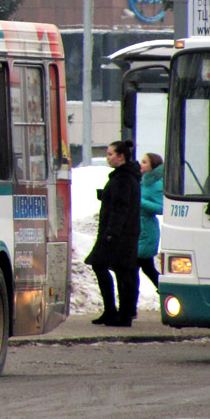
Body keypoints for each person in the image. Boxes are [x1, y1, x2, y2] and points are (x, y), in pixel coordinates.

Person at [86, 139, 142, 327]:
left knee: (107, 267)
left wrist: (111, 232)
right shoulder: (125, 176)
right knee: (121, 272)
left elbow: (121, 207)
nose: (108, 158)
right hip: (124, 233)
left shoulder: (123, 178)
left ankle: (117, 312)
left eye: (110, 154)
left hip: (118, 235)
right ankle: (118, 312)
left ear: (121, 156)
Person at [136, 152, 164, 298]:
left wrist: (139, 201)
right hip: (138, 229)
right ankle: (166, 291)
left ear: (153, 166)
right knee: (147, 268)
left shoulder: (156, 184)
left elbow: (161, 207)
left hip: (147, 231)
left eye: (145, 162)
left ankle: (128, 308)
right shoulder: (143, 181)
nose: (141, 164)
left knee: (136, 267)